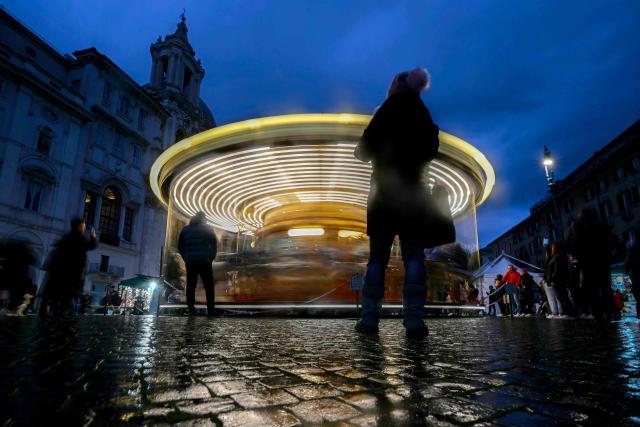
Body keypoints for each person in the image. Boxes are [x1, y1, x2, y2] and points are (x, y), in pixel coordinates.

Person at [353, 68, 445, 336]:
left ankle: (370, 317)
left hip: (383, 195)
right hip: (414, 194)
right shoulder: (422, 112)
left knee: (377, 259)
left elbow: (363, 151)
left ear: (394, 86)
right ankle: (414, 318)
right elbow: (430, 151)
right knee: (414, 256)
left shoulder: (386, 110)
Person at [39, 218, 97, 316]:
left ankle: (53, 311)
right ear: (80, 226)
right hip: (71, 274)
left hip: (60, 272)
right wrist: (93, 237)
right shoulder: (78, 238)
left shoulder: (66, 238)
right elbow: (91, 245)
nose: (84, 228)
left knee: (58, 297)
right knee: (66, 298)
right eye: (83, 226)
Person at [566, 208, 616, 320]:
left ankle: (599, 314)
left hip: (588, 263)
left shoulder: (581, 230)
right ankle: (610, 312)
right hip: (603, 262)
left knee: (592, 289)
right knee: (605, 287)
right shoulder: (602, 227)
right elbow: (612, 241)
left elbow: (572, 246)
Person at [178, 211, 218, 316]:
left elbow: (180, 247)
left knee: (191, 286)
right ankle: (210, 310)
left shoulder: (185, 230)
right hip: (205, 261)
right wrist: (211, 258)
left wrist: (186, 258)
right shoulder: (208, 229)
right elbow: (214, 244)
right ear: (203, 219)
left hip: (190, 262)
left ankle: (191, 310)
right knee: (209, 286)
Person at [624, 233, 640, 319]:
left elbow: (627, 264)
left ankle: (639, 313)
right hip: (635, 274)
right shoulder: (632, 251)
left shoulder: (631, 251)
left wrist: (627, 270)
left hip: (635, 274)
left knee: (637, 292)